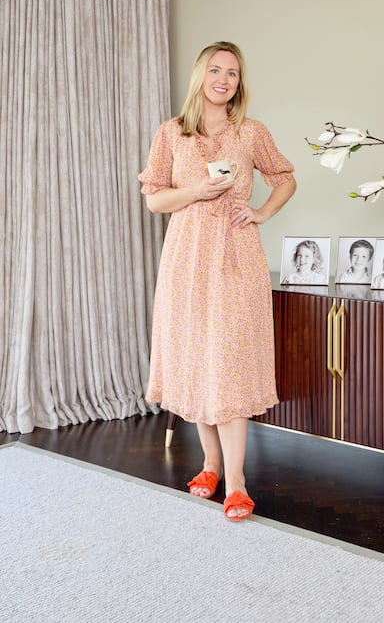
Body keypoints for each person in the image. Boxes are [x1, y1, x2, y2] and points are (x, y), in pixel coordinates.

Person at [139, 41, 296, 521]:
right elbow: (154, 199)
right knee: (194, 361)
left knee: (227, 364)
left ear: (239, 82)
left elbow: (285, 177)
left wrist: (261, 212)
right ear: (200, 77)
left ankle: (238, 483)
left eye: (232, 72)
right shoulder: (172, 133)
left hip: (235, 258)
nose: (224, 79)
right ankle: (209, 465)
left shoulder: (251, 133)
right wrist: (195, 191)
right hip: (185, 260)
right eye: (215, 70)